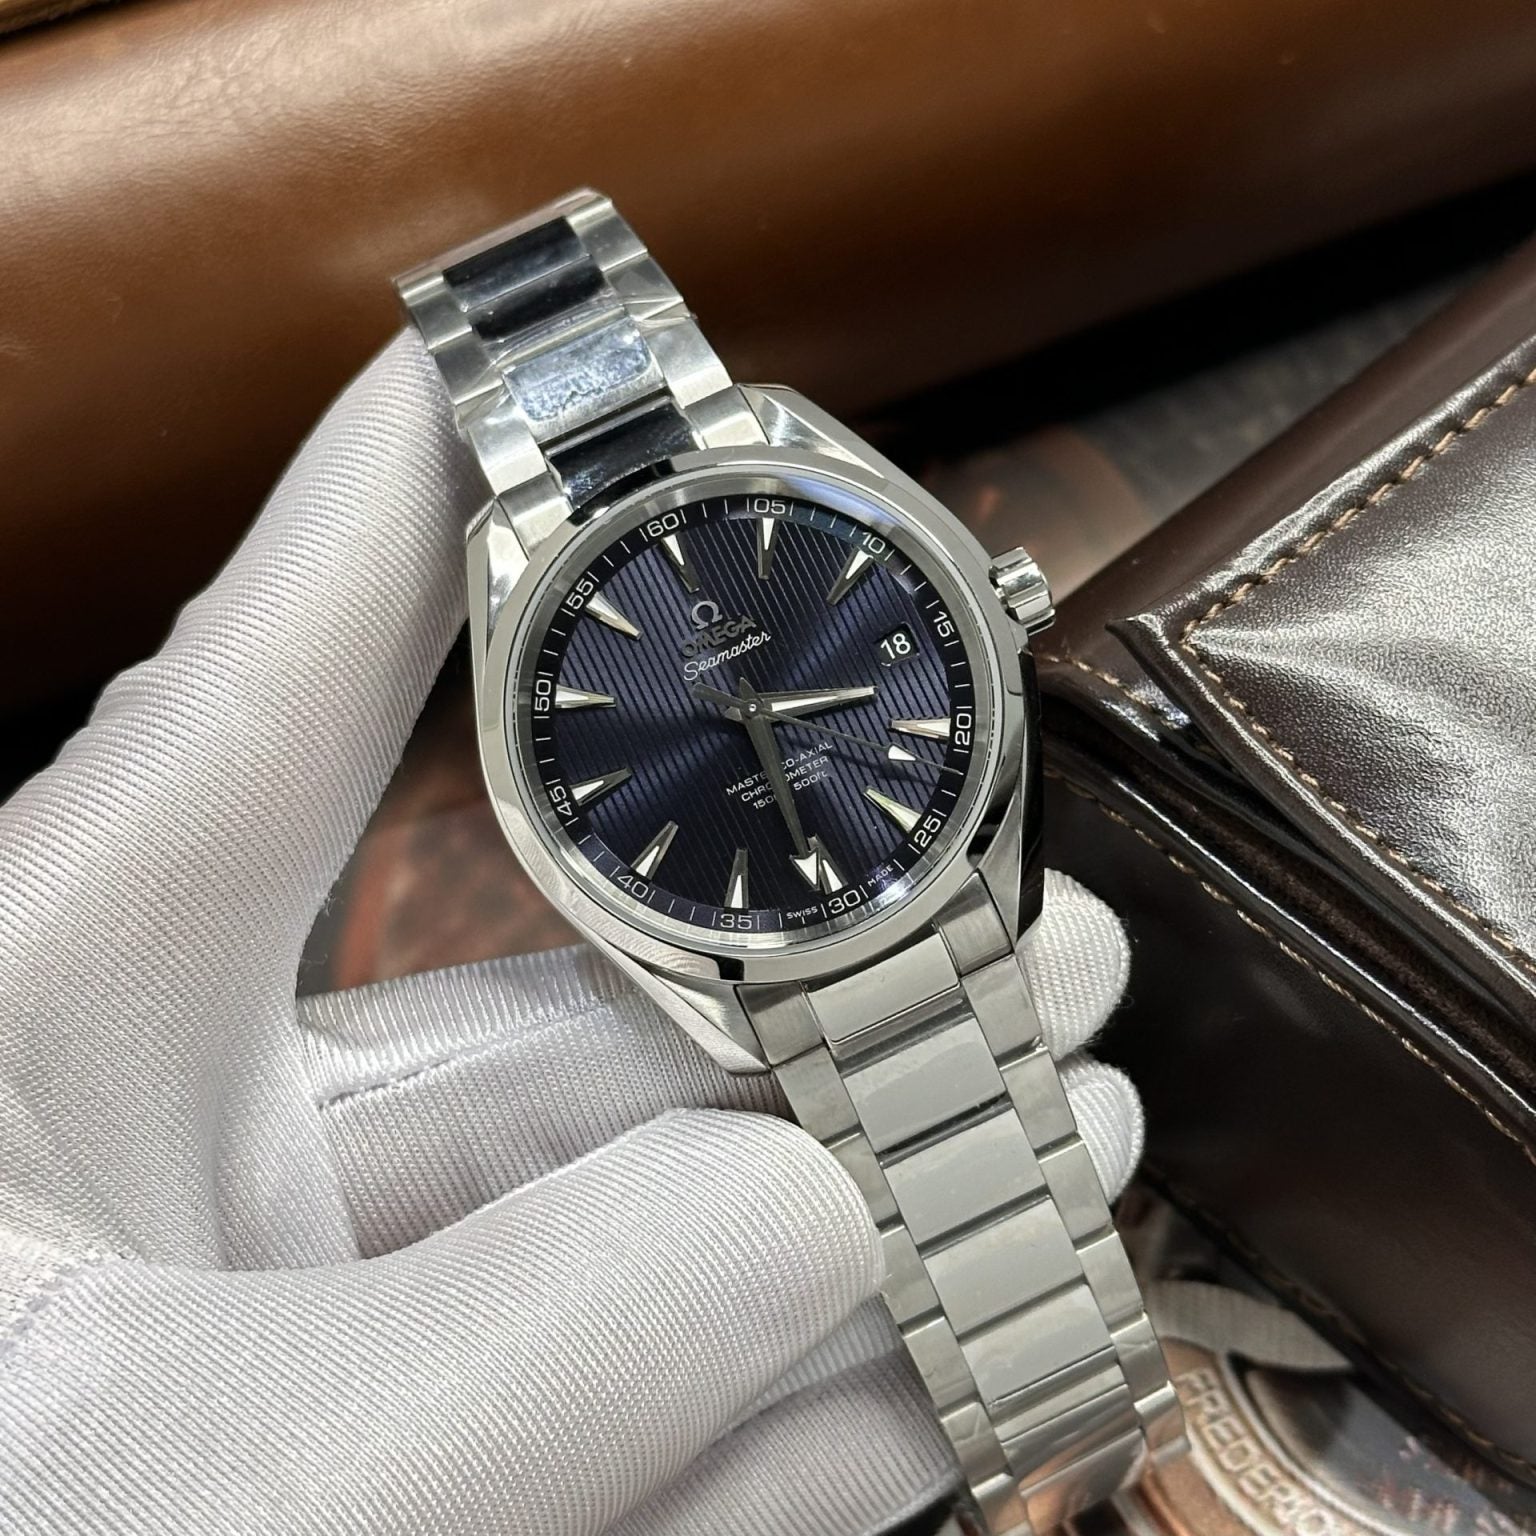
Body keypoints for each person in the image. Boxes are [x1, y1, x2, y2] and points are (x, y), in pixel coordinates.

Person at [0, 333, 1145, 1535]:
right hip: (770, 947)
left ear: (998, 595)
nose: (753, 715)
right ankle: (1070, 1456)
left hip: (915, 880)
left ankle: (1073, 1441)